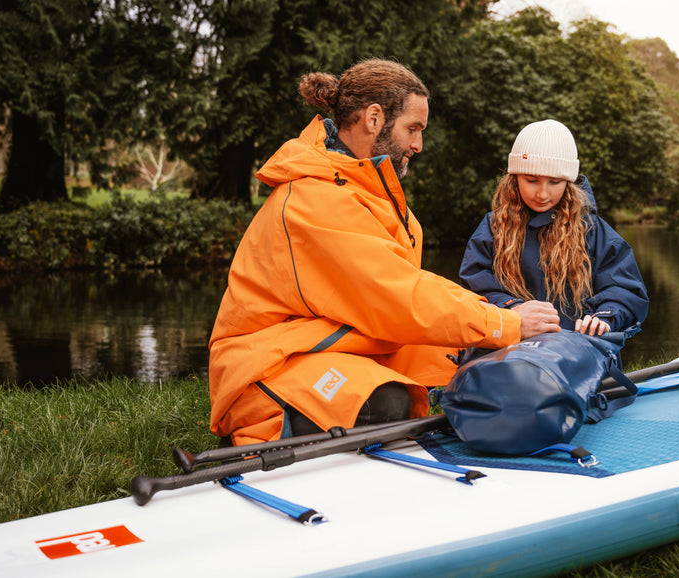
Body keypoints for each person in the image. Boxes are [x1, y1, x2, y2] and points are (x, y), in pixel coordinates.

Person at [208, 59, 561, 445]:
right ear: (374, 118)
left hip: (330, 342)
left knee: (467, 361)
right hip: (268, 364)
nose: (418, 145)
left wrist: (497, 318)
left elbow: (412, 285)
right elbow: (397, 296)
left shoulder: (365, 188)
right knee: (383, 401)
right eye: (412, 128)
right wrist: (503, 324)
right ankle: (272, 433)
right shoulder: (316, 198)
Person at [459, 118, 649, 339]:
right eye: (531, 180)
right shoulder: (493, 228)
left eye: (554, 182)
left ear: (568, 181)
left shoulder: (592, 230)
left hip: (579, 352)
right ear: (514, 178)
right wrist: (512, 309)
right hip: (511, 352)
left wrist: (605, 317)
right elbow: (473, 287)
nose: (542, 194)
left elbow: (626, 290)